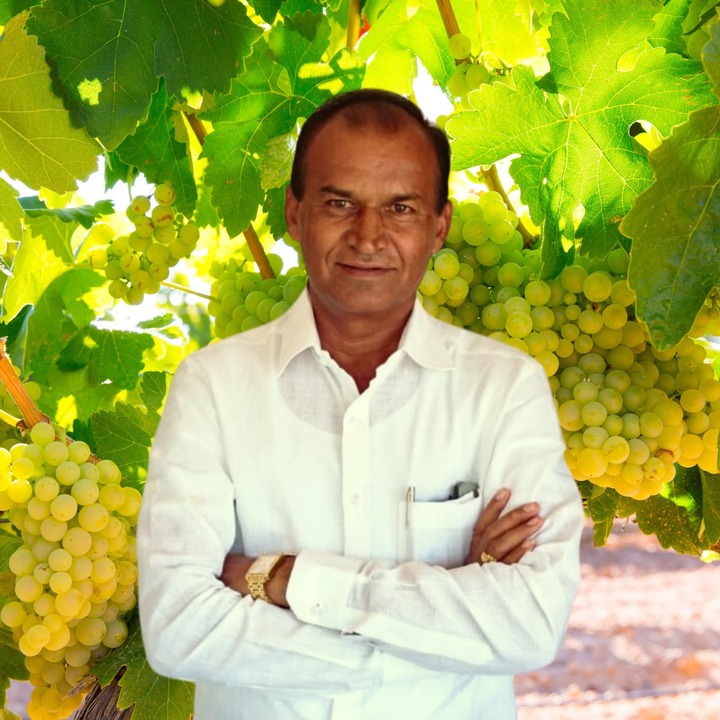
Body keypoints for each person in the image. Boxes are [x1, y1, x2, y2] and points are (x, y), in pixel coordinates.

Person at [137, 88, 584, 720]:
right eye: (339, 203)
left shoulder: (505, 389)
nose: (369, 236)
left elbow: (530, 626)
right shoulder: (212, 386)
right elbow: (179, 628)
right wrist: (443, 623)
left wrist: (290, 580)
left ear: (439, 227)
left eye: (400, 208)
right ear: (295, 215)